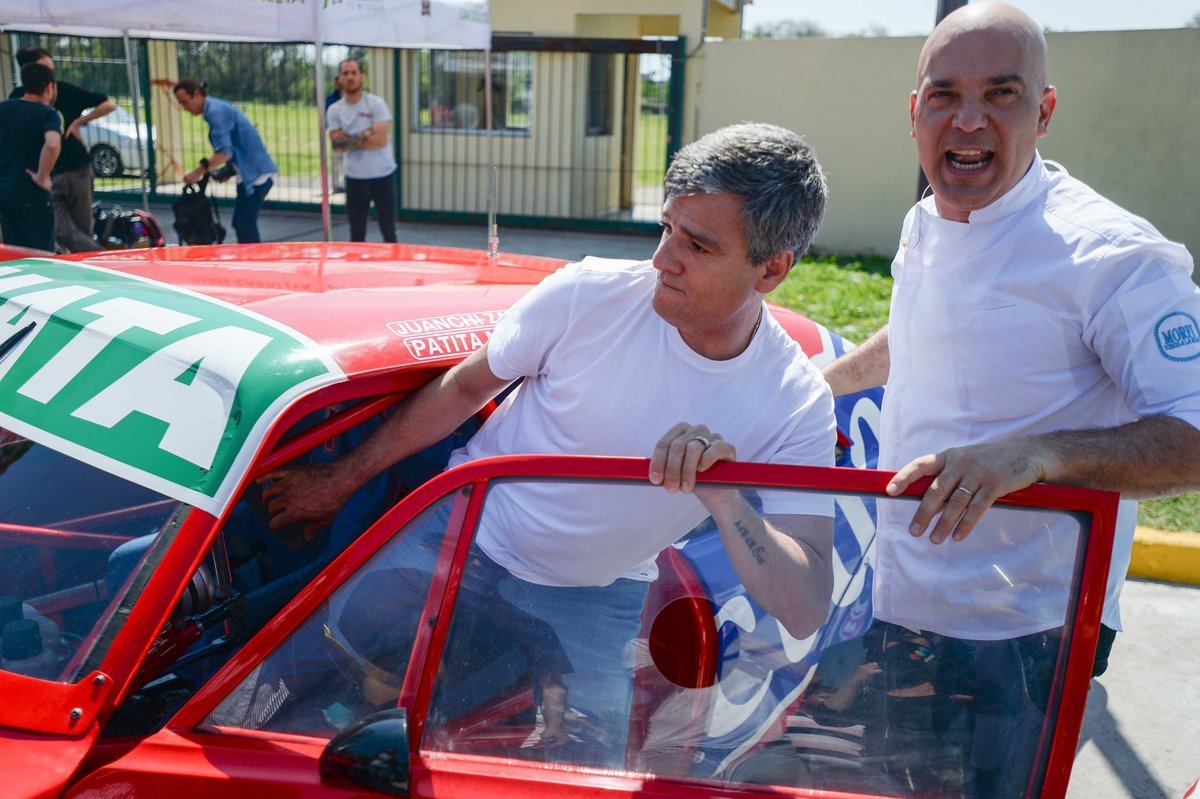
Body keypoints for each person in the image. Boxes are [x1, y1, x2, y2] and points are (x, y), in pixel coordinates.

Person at [261, 122, 837, 765]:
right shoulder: (588, 294)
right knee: (286, 715)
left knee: (580, 778)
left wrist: (728, 499)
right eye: (666, 229)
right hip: (456, 536)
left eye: (697, 246)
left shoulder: (793, 398)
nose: (662, 259)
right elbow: (462, 389)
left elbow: (807, 604)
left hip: (596, 595)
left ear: (773, 269)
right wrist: (337, 481)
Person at [821, 2, 1200, 794]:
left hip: (1027, 633)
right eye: (944, 94)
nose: (968, 121)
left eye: (1001, 94)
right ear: (913, 109)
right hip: (904, 605)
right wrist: (814, 389)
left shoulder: (1115, 257)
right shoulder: (928, 219)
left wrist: (1041, 455)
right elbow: (921, 330)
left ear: (1045, 109)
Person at [10, 47, 116, 253]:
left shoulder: (65, 90)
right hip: (47, 174)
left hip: (77, 169)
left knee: (83, 229)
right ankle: (99, 258)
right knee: (61, 229)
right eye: (45, 67)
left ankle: (90, 266)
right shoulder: (18, 99)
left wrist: (79, 122)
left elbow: (108, 104)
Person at [174, 79, 278, 243]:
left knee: (244, 225)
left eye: (185, 102)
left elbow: (224, 152)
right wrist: (228, 171)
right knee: (241, 223)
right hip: (250, 172)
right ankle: (252, 260)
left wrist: (197, 173)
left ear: (197, 94)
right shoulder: (216, 108)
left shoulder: (215, 112)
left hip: (256, 175)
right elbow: (236, 143)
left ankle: (254, 263)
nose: (184, 108)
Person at [326, 58, 396, 242]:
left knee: (388, 231)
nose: (350, 77)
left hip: (382, 174)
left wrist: (348, 138)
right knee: (357, 233)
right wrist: (365, 133)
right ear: (340, 78)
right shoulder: (334, 110)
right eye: (345, 73)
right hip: (355, 178)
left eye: (354, 73)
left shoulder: (376, 104)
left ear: (362, 76)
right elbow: (338, 147)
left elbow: (380, 141)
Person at [0, 62, 62, 252]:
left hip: (5, 191)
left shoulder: (4, 109)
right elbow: (52, 144)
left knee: (13, 251)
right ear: (50, 87)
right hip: (33, 193)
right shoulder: (48, 114)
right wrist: (42, 176)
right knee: (40, 255)